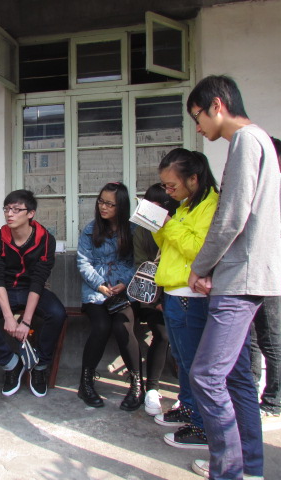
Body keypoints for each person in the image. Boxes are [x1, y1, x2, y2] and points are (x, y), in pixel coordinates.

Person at [186, 75, 281, 480]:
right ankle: (250, 468)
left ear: (217, 105)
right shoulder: (261, 141)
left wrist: (201, 266)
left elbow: (231, 217)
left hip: (240, 281)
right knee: (237, 378)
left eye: (198, 116)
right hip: (247, 275)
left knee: (206, 377)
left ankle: (228, 472)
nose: (198, 127)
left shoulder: (245, 141)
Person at [150, 149, 219, 451]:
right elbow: (170, 246)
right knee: (182, 360)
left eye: (172, 185)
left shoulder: (211, 205)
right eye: (164, 186)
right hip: (174, 293)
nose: (168, 191)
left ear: (193, 178)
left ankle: (203, 427)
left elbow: (201, 250)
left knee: (194, 364)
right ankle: (189, 408)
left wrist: (168, 224)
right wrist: (157, 224)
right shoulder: (186, 206)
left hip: (192, 296)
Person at [0, 189, 66, 398]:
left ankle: (39, 365)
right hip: (7, 290)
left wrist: (26, 321)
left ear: (30, 214)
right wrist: (9, 317)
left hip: (35, 291)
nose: (9, 214)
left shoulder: (45, 239)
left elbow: (39, 279)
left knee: (57, 313)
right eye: (6, 209)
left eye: (16, 209)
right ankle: (11, 363)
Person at [76, 182, 142, 411]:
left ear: (121, 206)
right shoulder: (90, 230)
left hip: (124, 291)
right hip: (96, 292)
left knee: (123, 327)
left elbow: (137, 261)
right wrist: (101, 285)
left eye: (110, 204)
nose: (103, 207)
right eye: (101, 201)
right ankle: (85, 383)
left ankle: (137, 385)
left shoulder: (133, 230)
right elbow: (83, 263)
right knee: (101, 326)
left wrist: (124, 282)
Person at [249, 137, 281, 432]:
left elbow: (273, 235)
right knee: (255, 338)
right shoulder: (273, 185)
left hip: (266, 273)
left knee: (270, 340)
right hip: (258, 273)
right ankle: (251, 394)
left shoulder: (278, 186)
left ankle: (272, 406)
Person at [132, 183, 178, 416]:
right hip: (150, 294)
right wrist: (157, 299)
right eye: (151, 205)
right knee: (163, 333)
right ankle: (152, 388)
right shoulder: (142, 230)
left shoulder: (179, 225)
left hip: (178, 290)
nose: (155, 211)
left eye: (160, 206)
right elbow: (140, 264)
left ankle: (187, 394)